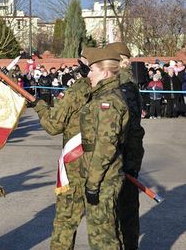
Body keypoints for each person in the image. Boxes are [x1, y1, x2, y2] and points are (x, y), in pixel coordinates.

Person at [33, 48, 93, 250]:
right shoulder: (116, 89)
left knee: (65, 222)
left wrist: (40, 107)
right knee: (105, 226)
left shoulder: (77, 90)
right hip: (105, 163)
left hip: (76, 165)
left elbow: (53, 125)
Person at [81, 47, 129, 249]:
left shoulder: (107, 100)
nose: (89, 74)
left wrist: (92, 183)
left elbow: (105, 146)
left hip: (103, 177)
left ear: (105, 72)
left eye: (93, 70)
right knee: (109, 231)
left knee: (103, 239)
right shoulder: (103, 95)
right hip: (102, 174)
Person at [107, 42, 145, 250]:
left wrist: (128, 163)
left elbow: (131, 128)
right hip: (125, 156)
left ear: (122, 60)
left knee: (125, 211)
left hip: (125, 157)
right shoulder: (123, 80)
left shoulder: (124, 83)